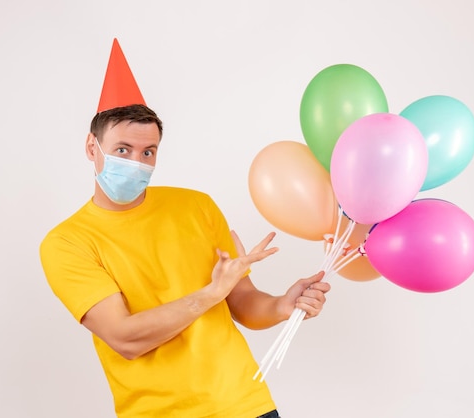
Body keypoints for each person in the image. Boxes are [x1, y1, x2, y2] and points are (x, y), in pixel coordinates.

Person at [40, 38, 330, 418]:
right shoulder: (67, 243)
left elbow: (241, 302)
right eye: (122, 149)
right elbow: (126, 338)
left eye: (149, 152)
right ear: (92, 148)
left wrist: (281, 306)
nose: (137, 162)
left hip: (247, 405)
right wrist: (211, 293)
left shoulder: (196, 206)